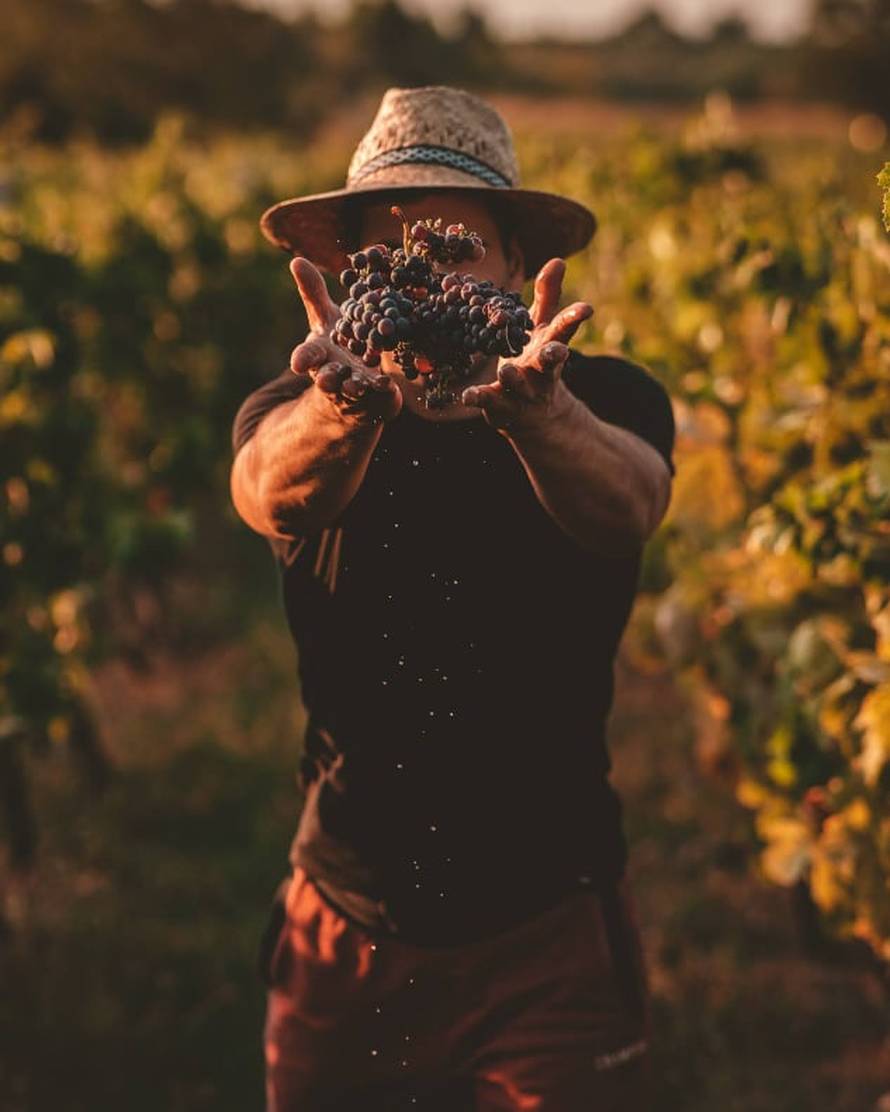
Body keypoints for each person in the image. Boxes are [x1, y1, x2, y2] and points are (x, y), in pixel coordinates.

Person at [230, 86, 675, 1112]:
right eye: (387, 253)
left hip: (549, 924)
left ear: (517, 266)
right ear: (346, 280)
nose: (420, 275)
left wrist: (540, 415)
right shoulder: (301, 402)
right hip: (346, 914)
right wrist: (344, 413)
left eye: (453, 247)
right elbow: (267, 489)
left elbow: (629, 504)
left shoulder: (601, 400)